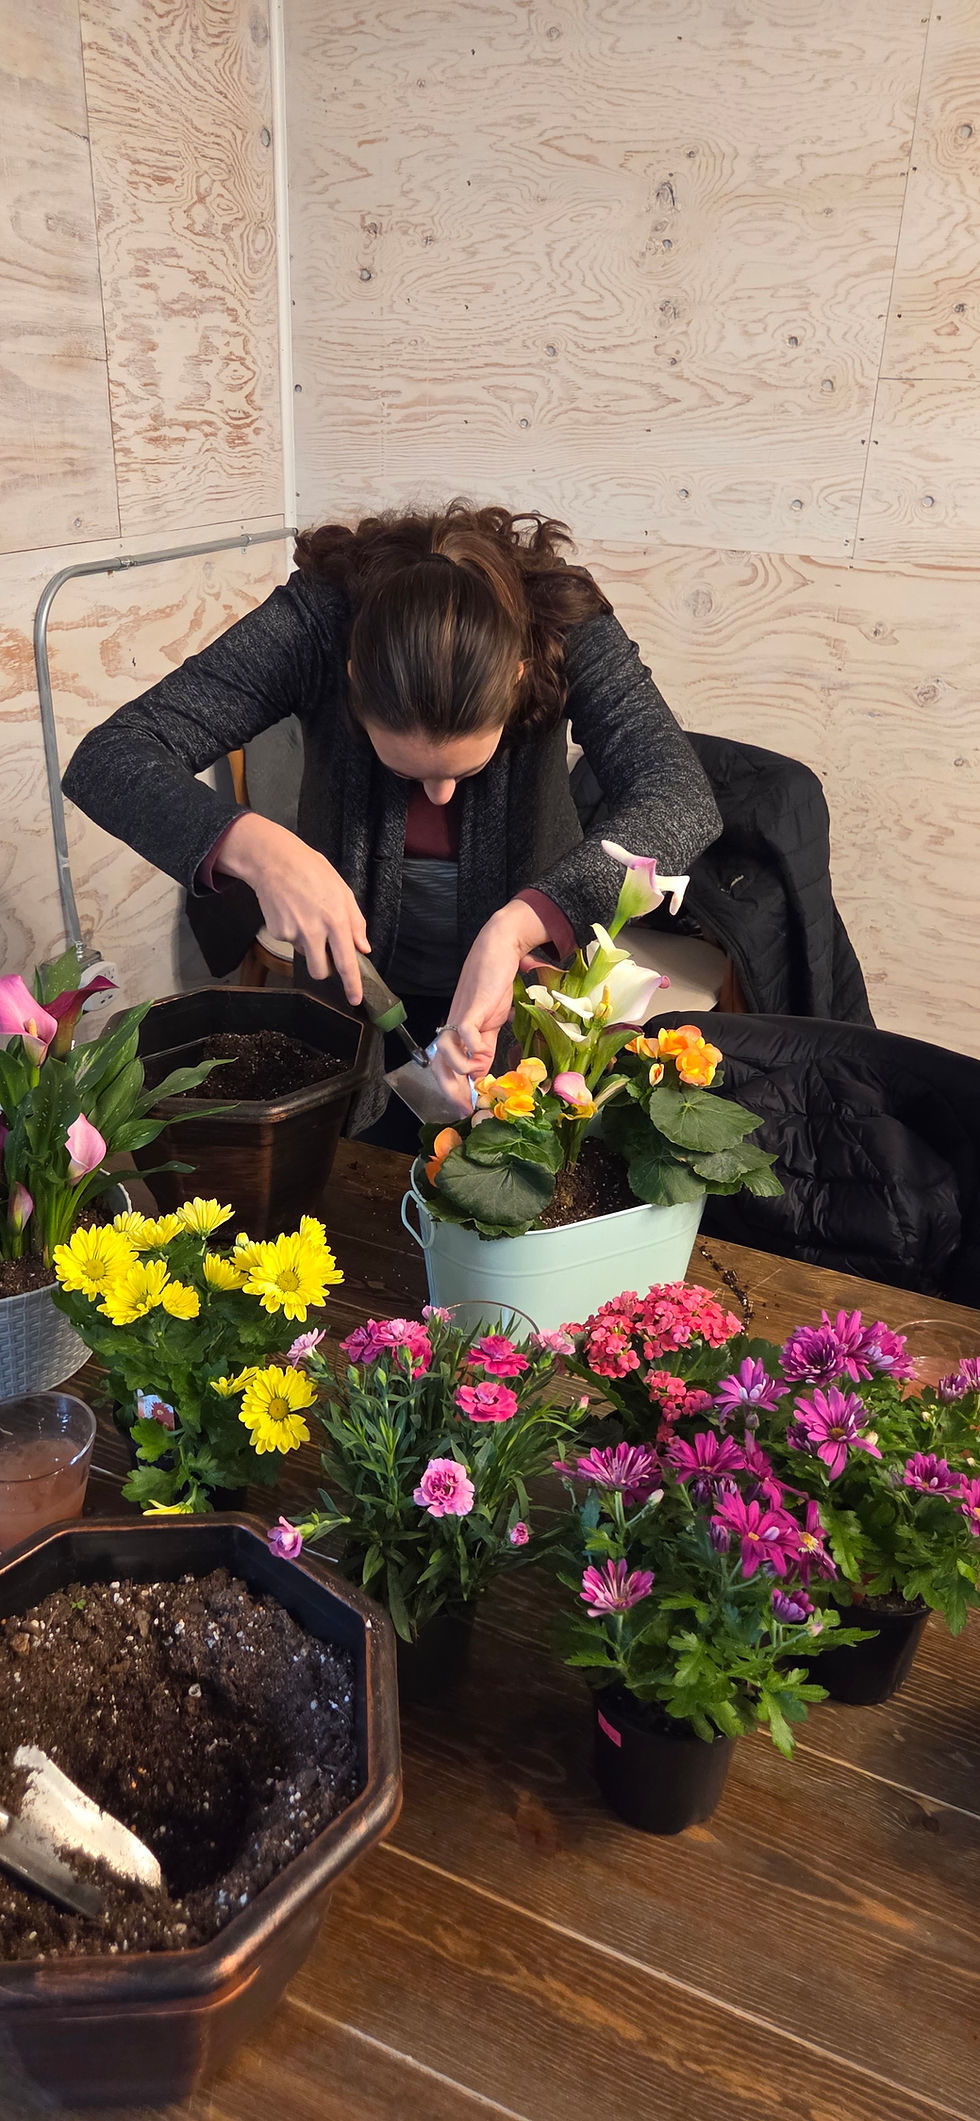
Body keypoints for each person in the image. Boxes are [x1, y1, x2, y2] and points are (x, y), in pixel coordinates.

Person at [62, 502, 722, 1141]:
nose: (438, 795)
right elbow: (111, 757)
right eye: (408, 770)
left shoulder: (560, 623)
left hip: (526, 994)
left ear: (518, 679)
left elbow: (680, 796)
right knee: (357, 1170)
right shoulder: (319, 624)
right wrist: (260, 850)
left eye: (464, 770)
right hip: (351, 1002)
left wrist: (517, 927)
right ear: (354, 680)